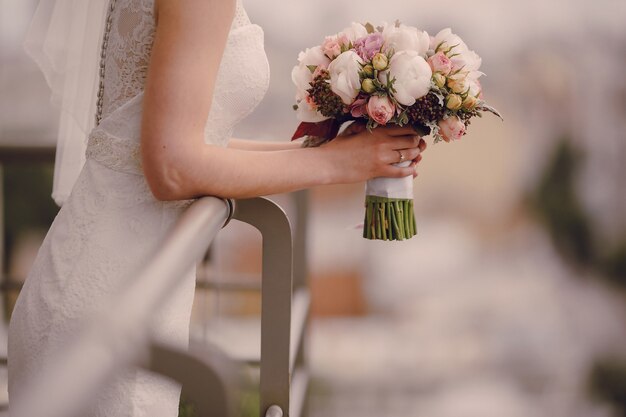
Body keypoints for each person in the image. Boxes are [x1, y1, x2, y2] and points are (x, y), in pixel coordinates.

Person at [8, 0, 426, 416]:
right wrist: (338, 164)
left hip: (106, 284)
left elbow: (176, 146)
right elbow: (171, 169)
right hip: (111, 302)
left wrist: (326, 151)